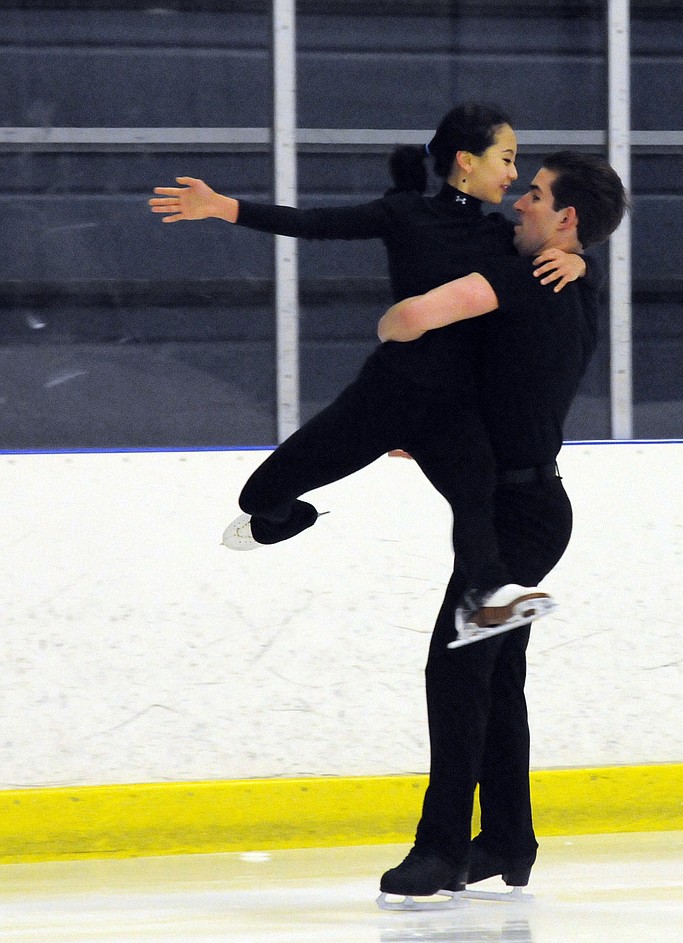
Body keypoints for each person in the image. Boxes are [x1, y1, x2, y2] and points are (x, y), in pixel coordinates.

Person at [149, 103, 585, 642]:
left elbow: (547, 261)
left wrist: (580, 260)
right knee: (259, 497)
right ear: (466, 162)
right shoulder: (404, 214)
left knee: (476, 505)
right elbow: (313, 225)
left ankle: (488, 598)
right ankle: (287, 519)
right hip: (387, 396)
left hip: (453, 407)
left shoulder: (500, 236)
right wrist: (221, 207)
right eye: (507, 159)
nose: (515, 174)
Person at [374, 150, 629, 904]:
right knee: (495, 673)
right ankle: (509, 840)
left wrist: (393, 352)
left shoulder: (537, 282)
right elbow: (507, 384)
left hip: (517, 521)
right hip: (525, 512)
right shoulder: (568, 282)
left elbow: (423, 321)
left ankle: (440, 848)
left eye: (537, 195)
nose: (519, 200)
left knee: (456, 671)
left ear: (569, 220)